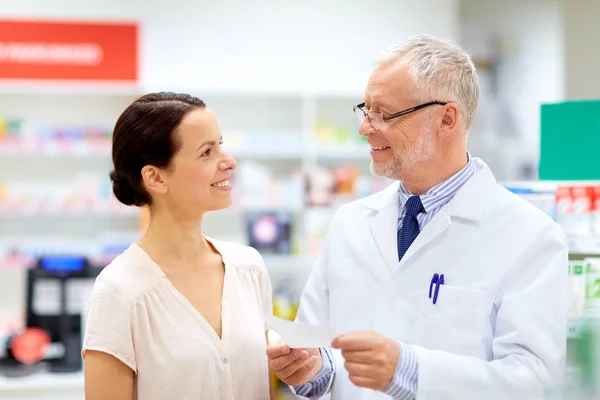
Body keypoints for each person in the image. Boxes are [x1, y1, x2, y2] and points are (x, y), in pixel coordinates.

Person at [266, 35, 568, 400]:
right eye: (366, 110)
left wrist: (408, 370)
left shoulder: (529, 235)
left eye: (385, 114)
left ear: (446, 119)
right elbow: (319, 347)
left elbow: (534, 382)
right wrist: (310, 368)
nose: (365, 127)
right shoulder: (350, 223)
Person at [82, 92, 273, 400]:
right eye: (206, 152)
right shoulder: (121, 291)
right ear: (155, 177)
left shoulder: (248, 268)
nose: (229, 162)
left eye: (220, 145)